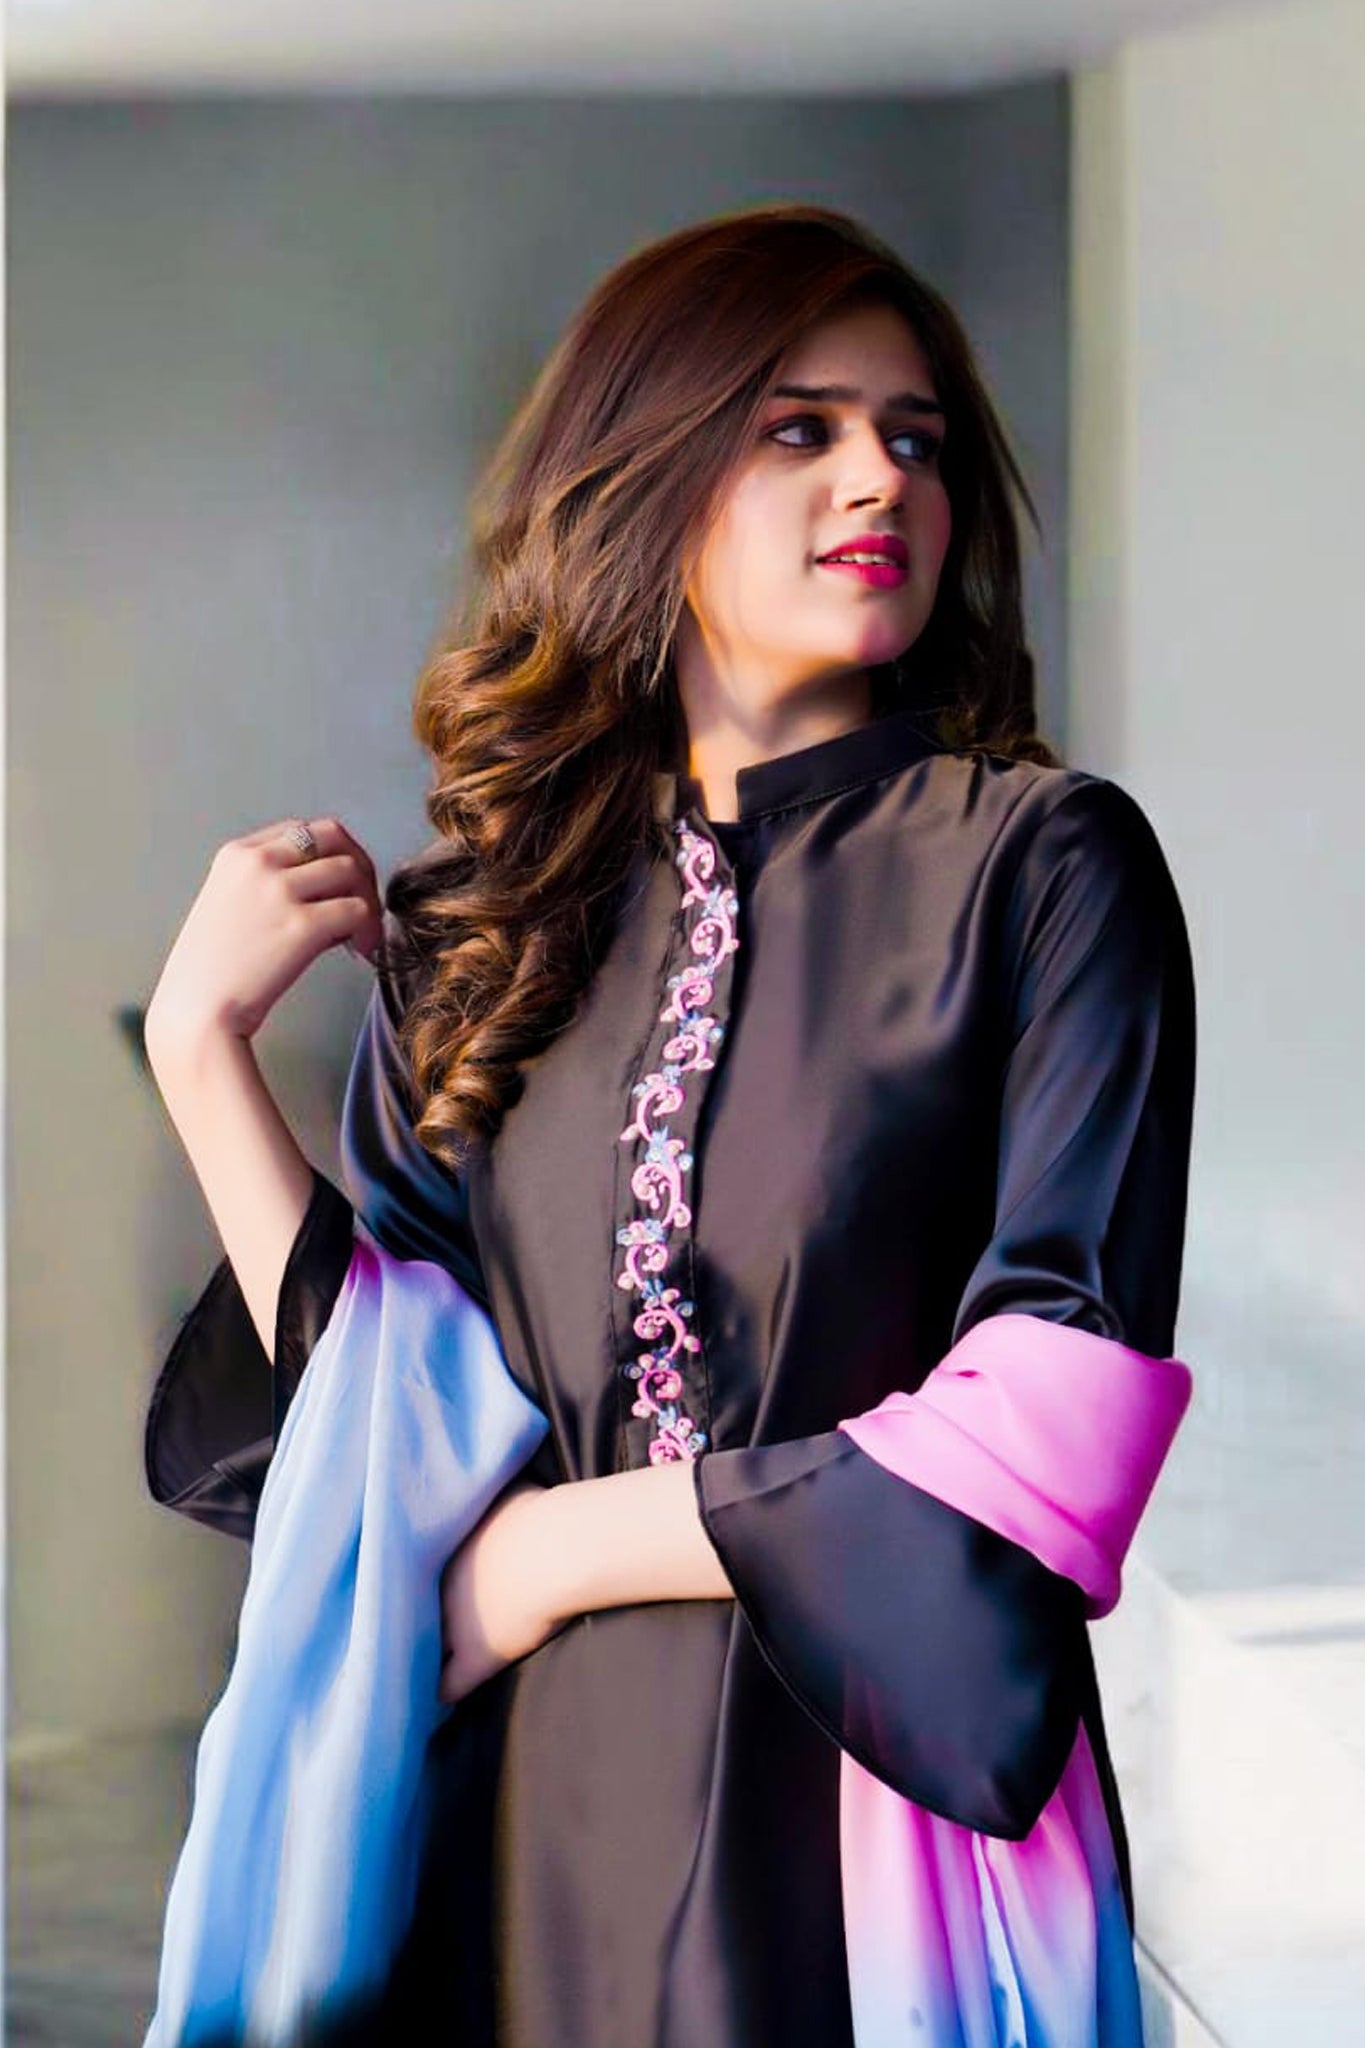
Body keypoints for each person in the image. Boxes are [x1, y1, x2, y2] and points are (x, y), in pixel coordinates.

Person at [142, 203, 1196, 2046]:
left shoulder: (1040, 869)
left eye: (915, 437)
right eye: (798, 428)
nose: (878, 475)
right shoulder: (492, 924)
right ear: (646, 477)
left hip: (861, 1834)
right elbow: (386, 1428)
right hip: (519, 1825)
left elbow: (1052, 1406)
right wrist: (201, 1059)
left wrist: (551, 1554)